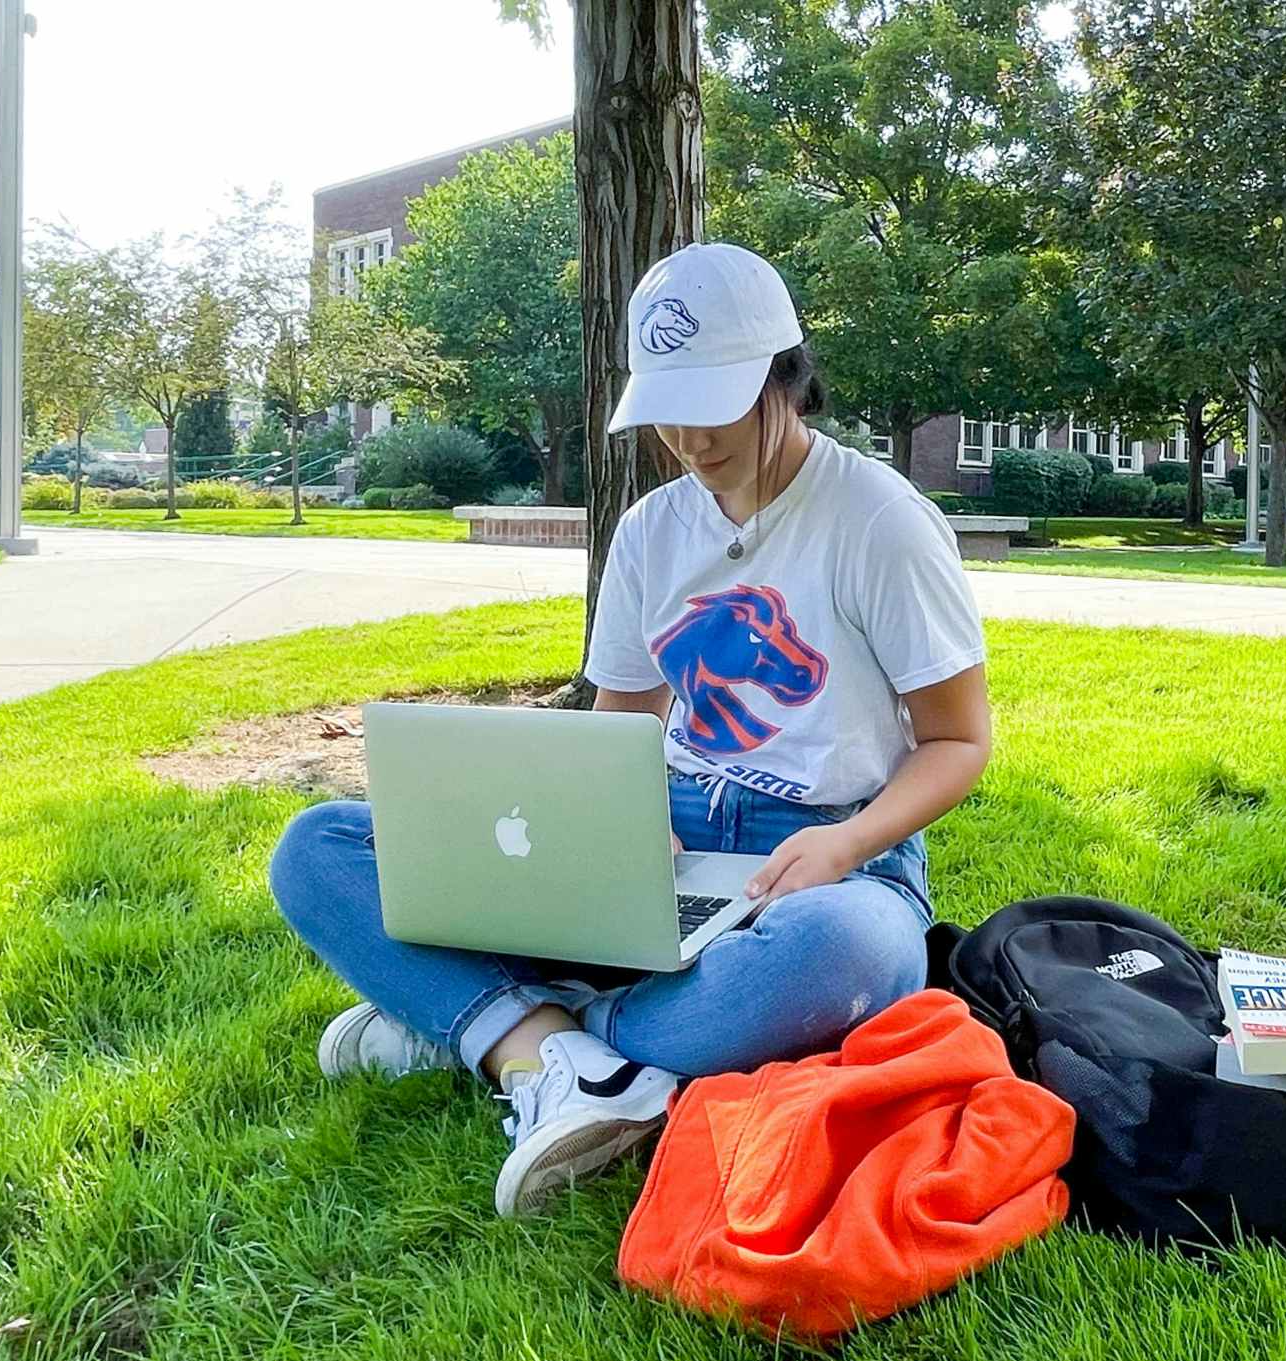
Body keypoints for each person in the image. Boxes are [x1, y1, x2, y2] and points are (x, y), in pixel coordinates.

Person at [268, 242, 991, 1217]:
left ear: (788, 375)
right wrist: (620, 828)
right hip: (674, 837)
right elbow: (620, 740)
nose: (691, 438)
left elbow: (957, 741)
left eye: (717, 401)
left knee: (845, 955)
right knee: (317, 848)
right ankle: (562, 1051)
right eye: (669, 410)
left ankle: (499, 1027)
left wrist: (849, 843)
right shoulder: (652, 531)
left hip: (836, 858)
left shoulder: (880, 522)